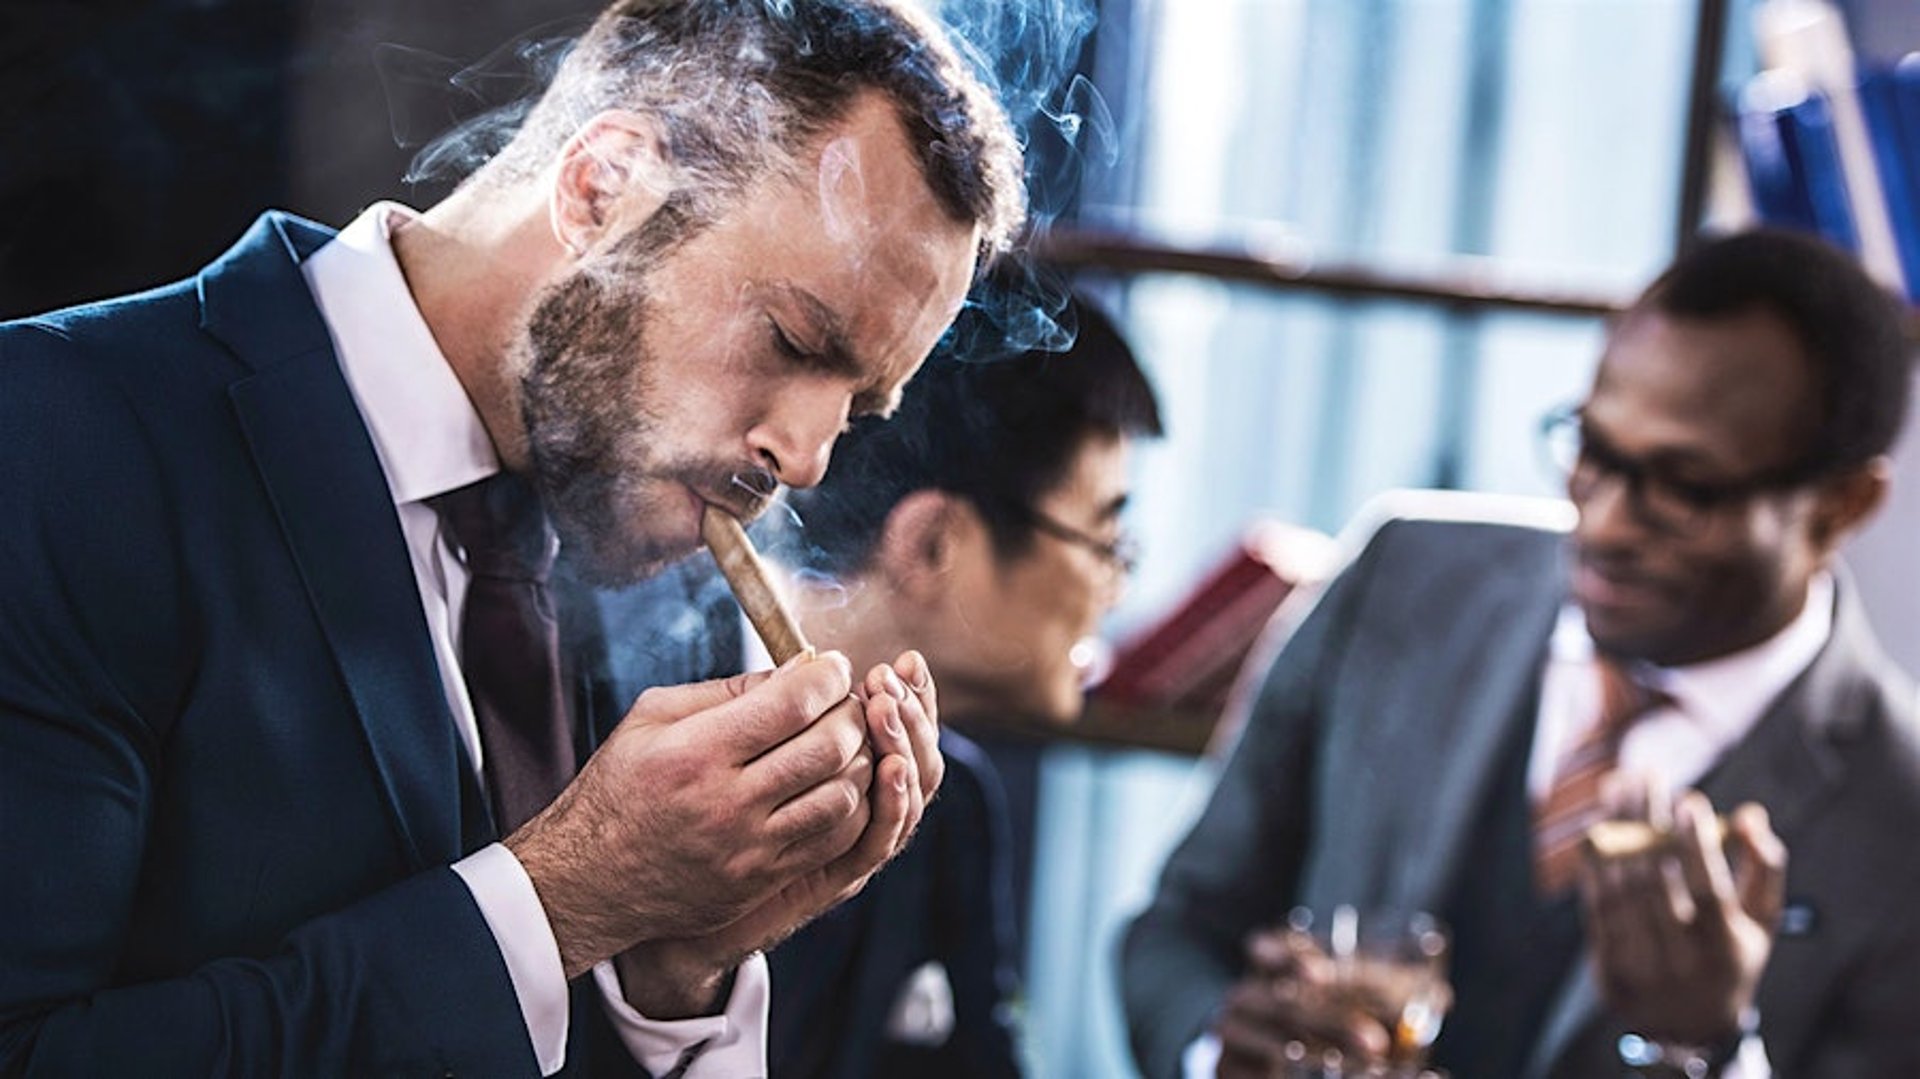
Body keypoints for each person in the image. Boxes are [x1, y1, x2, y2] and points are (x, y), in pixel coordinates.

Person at [0, 2, 1027, 1075]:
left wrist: (681, 970)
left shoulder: (671, 587)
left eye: (858, 407)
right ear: (603, 189)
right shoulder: (59, 438)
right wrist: (567, 897)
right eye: (793, 339)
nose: (809, 454)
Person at [1121, 229, 1920, 1079]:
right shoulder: (1406, 574)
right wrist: (1219, 1049)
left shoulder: (1901, 819)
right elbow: (1179, 928)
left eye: (1687, 487)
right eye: (1592, 451)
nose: (1604, 524)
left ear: (1841, 506)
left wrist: (1710, 1049)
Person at [754, 290, 1163, 1077]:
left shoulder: (954, 805)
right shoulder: (646, 724)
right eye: (1104, 540)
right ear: (934, 544)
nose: (1117, 590)